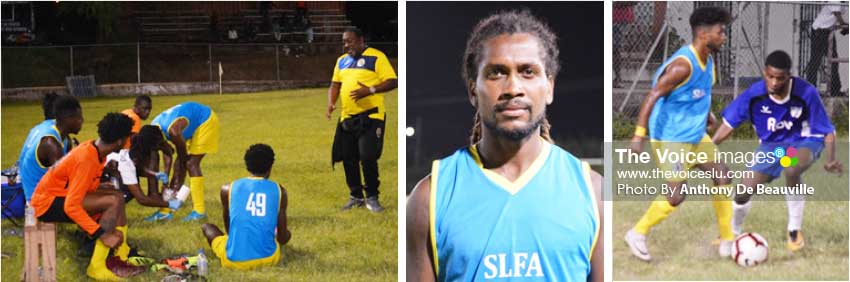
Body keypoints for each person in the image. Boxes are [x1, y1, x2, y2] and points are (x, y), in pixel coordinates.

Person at [407, 10, 603, 281]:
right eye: (496, 73)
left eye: (528, 72)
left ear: (549, 87)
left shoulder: (593, 191)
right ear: (472, 90)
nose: (513, 88)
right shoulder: (429, 197)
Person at [624, 6, 733, 261]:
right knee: (676, 195)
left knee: (723, 176)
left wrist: (706, 115)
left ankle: (727, 240)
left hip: (695, 135)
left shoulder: (709, 60)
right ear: (704, 34)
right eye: (721, 32)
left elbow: (697, 93)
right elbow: (652, 96)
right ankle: (637, 233)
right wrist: (638, 136)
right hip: (671, 139)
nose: (724, 36)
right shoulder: (682, 66)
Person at [712, 50, 843, 251]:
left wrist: (830, 159)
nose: (774, 82)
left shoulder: (806, 92)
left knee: (791, 168)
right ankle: (732, 233)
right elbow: (728, 125)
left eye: (780, 78)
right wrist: (707, 149)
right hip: (772, 147)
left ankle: (794, 231)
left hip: (805, 141)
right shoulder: (755, 95)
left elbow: (828, 131)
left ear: (789, 76)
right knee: (742, 192)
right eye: (770, 77)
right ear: (765, 73)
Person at [30, 113, 143, 280]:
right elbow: (71, 206)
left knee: (117, 196)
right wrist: (102, 235)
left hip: (59, 195)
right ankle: (96, 267)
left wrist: (98, 186)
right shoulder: (87, 158)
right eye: (128, 137)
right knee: (112, 201)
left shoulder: (95, 149)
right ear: (120, 140)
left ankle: (120, 256)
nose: (129, 141)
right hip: (46, 204)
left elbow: (76, 182)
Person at [326, 27, 398, 212]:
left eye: (350, 41)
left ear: (361, 40)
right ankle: (356, 196)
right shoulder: (341, 61)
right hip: (347, 117)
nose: (346, 45)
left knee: (367, 157)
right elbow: (335, 85)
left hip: (371, 116)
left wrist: (370, 90)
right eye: (344, 41)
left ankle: (372, 197)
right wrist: (331, 103)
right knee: (349, 158)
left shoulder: (376, 57)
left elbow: (392, 81)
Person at [201, 143, 291, 270]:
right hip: (269, 258)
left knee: (207, 227)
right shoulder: (280, 190)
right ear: (271, 166)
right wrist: (287, 235)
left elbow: (229, 230)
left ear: (247, 166)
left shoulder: (227, 189)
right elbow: (282, 239)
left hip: (233, 260)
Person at [148, 102, 219, 222]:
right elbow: (167, 153)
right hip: (190, 125)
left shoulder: (173, 132)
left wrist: (175, 181)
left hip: (205, 120)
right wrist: (165, 177)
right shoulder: (153, 127)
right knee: (179, 168)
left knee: (191, 164)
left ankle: (199, 211)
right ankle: (165, 212)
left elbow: (182, 160)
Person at [19, 95, 83, 201]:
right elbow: (65, 180)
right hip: (40, 200)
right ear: (67, 119)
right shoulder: (51, 143)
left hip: (36, 191)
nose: (82, 121)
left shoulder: (42, 130)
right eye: (79, 117)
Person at [804, 4, 847, 97]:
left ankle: (835, 90)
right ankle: (811, 89)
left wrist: (843, 25)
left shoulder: (845, 3)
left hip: (829, 31)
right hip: (819, 31)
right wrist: (843, 24)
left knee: (834, 61)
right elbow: (836, 13)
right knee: (816, 60)